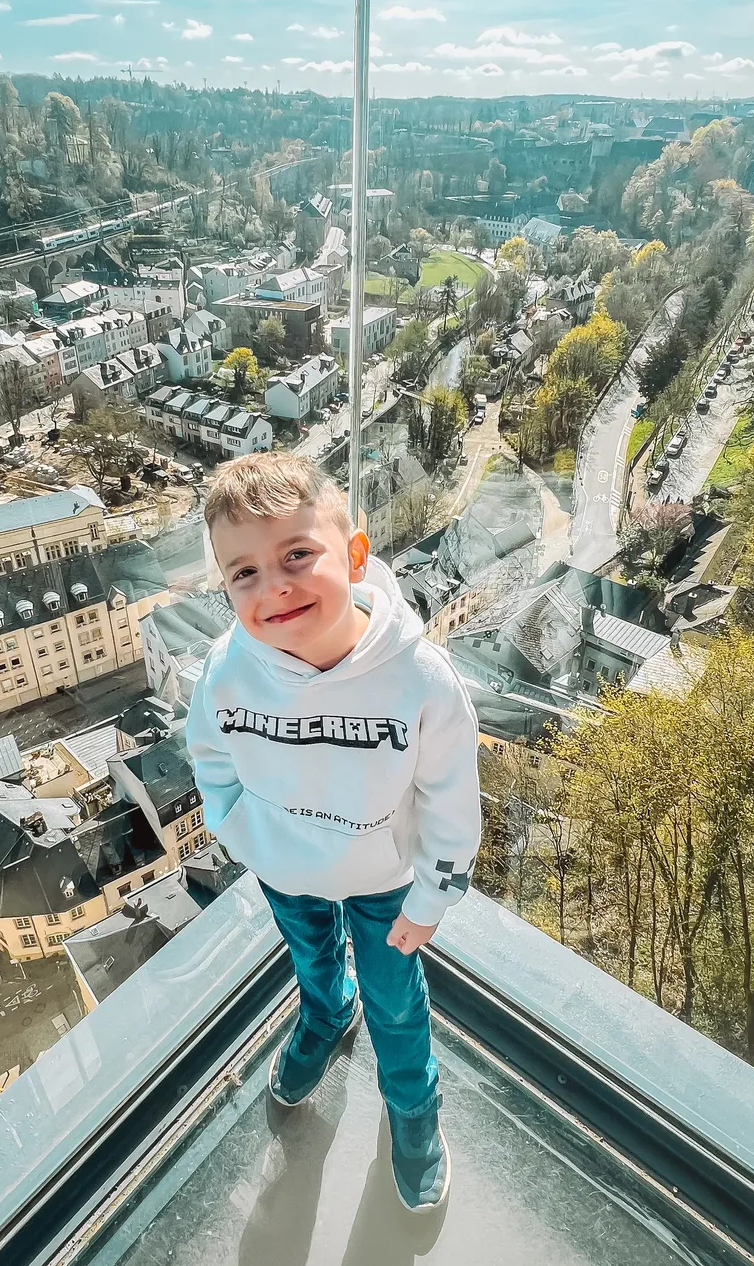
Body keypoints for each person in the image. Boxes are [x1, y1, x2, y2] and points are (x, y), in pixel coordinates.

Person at [187, 452, 481, 1213]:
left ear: (355, 557)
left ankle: (413, 1113)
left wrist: (431, 899)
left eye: (296, 555)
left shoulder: (419, 679)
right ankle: (323, 1016)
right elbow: (211, 760)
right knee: (313, 962)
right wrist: (248, 836)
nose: (272, 586)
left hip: (385, 883)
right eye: (242, 573)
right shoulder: (225, 673)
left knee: (397, 1006)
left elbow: (452, 799)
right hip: (287, 873)